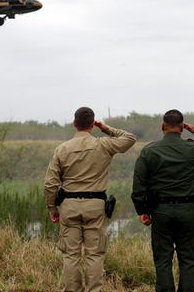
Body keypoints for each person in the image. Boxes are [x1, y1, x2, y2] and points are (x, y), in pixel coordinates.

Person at [45, 107, 136, 292]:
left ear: (74, 123)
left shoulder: (62, 149)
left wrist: (52, 209)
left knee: (71, 255)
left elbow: (50, 184)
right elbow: (130, 139)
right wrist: (106, 128)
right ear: (92, 125)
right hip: (95, 205)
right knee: (95, 254)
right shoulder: (103, 144)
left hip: (69, 206)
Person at [131, 109, 194, 292]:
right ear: (182, 127)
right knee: (188, 259)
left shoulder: (149, 151)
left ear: (162, 127)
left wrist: (142, 210)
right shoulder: (192, 148)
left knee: (163, 259)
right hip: (187, 211)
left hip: (161, 212)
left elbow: (139, 185)